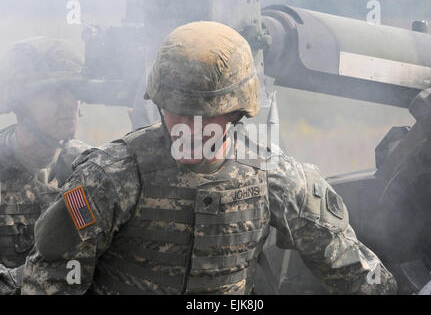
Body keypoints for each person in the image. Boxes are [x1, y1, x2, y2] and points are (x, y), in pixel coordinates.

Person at [21, 22, 397, 295]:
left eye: (204, 115)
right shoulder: (110, 178)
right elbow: (52, 280)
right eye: (177, 111)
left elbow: (353, 271)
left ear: (237, 112)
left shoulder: (275, 176)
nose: (187, 126)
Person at [0, 37, 90, 292]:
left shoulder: (89, 169)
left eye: (73, 91)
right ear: (21, 104)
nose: (68, 103)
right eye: (53, 92)